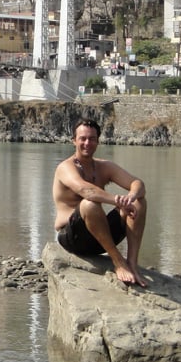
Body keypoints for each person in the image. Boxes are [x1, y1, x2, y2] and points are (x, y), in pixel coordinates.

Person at [53, 118, 148, 287]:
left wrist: (131, 196)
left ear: (98, 141)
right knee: (89, 203)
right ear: (74, 140)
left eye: (92, 139)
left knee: (139, 203)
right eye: (82, 138)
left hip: (100, 238)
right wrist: (117, 201)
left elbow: (138, 184)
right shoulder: (65, 167)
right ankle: (118, 262)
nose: (87, 143)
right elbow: (86, 191)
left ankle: (132, 262)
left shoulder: (104, 166)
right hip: (73, 238)